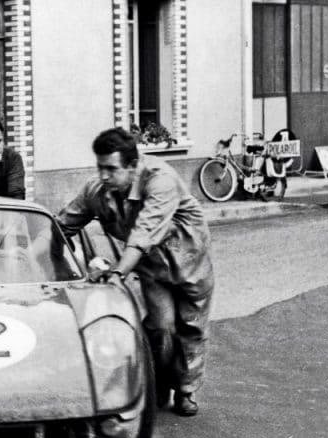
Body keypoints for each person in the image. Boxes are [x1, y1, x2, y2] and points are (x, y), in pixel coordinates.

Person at [57, 127, 214, 416]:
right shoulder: (98, 190)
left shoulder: (160, 180)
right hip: (153, 268)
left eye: (111, 169)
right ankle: (158, 384)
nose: (104, 176)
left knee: (191, 327)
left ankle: (186, 391)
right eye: (99, 167)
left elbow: (143, 234)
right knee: (162, 327)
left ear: (132, 166)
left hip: (190, 263)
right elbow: (62, 226)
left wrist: (116, 274)